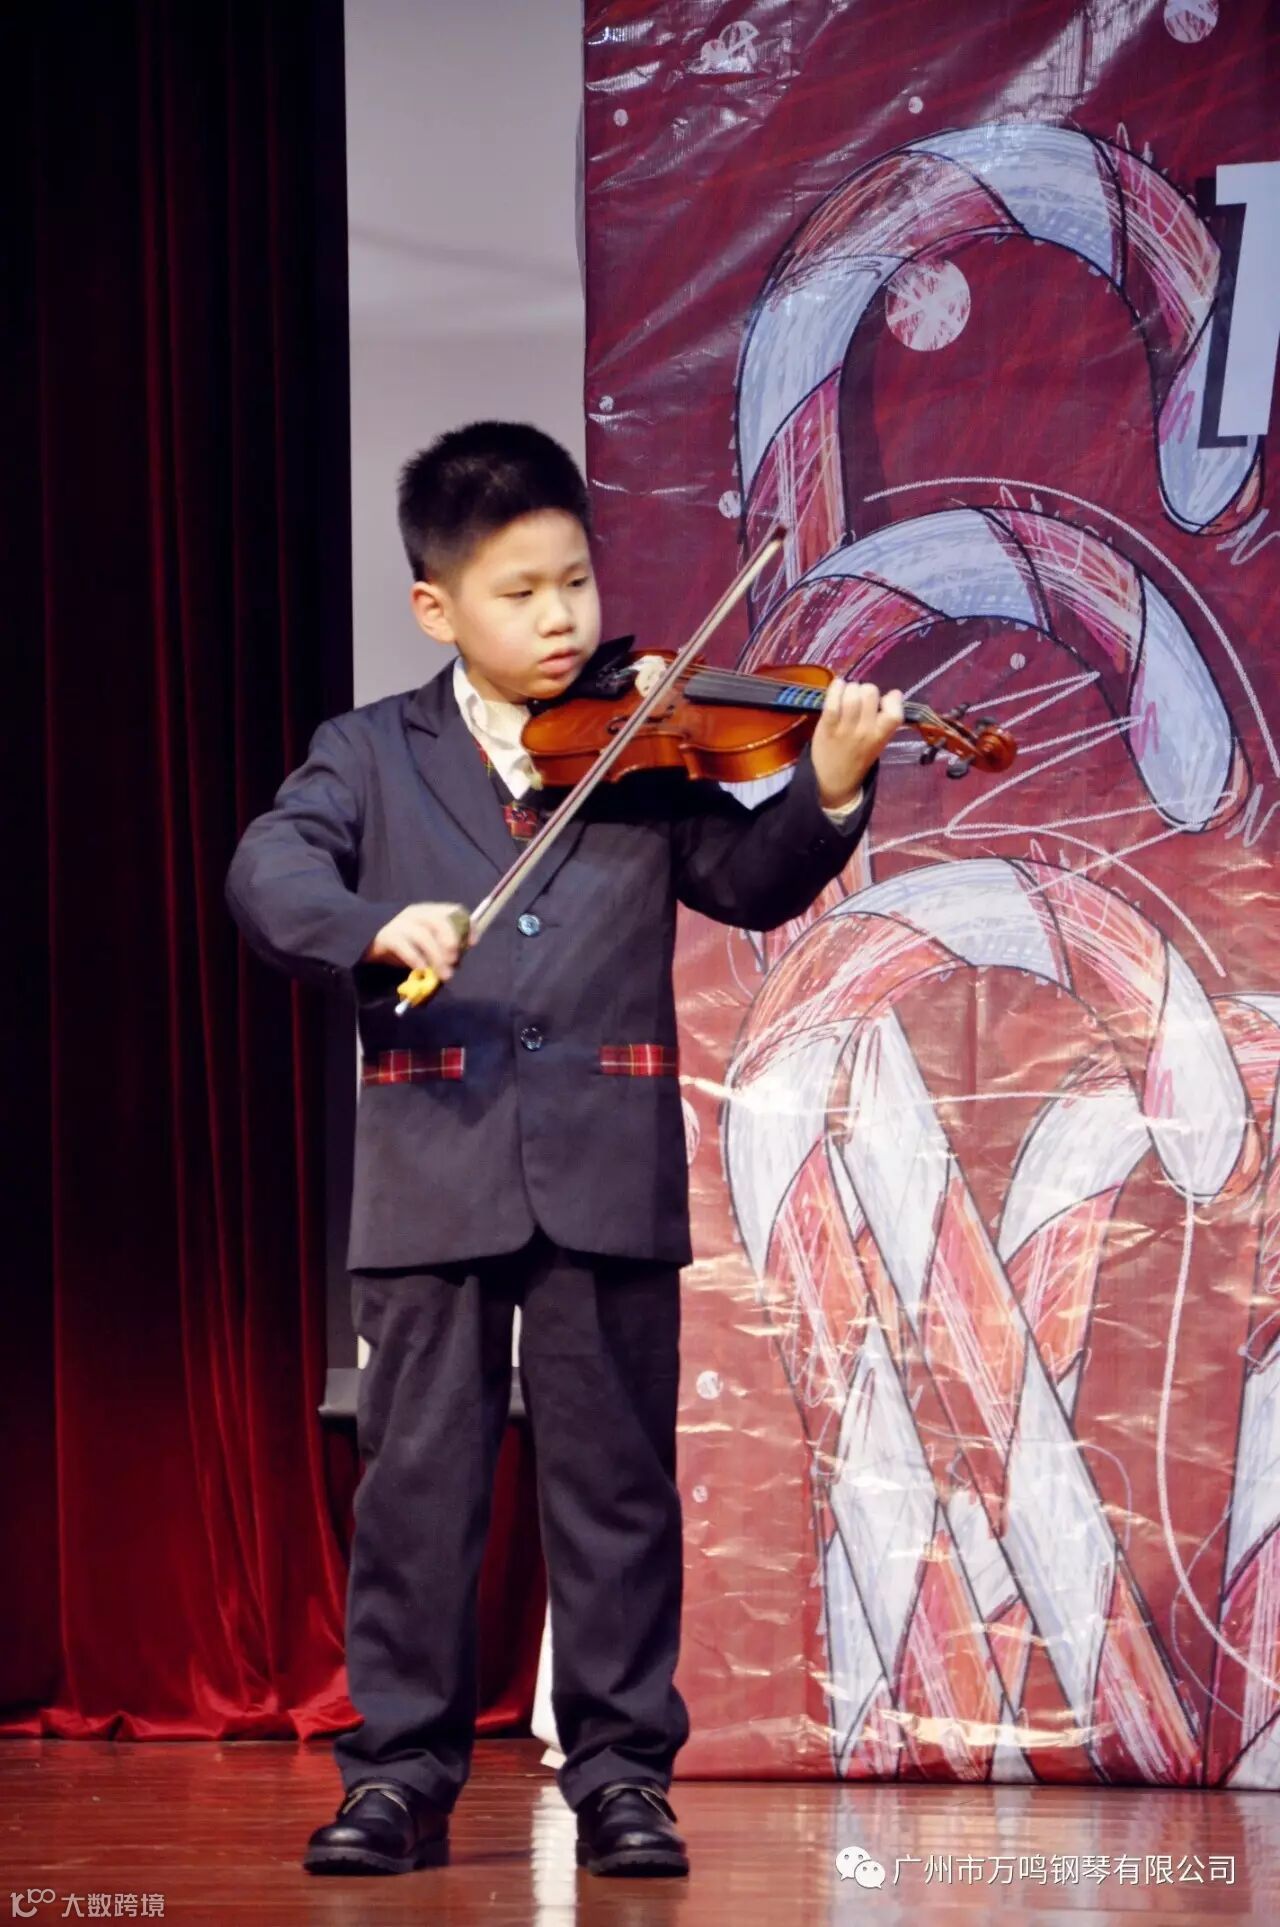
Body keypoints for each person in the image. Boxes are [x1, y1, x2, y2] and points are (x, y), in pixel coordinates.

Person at [225, 420, 902, 1880]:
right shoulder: (367, 752)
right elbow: (268, 873)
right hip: (433, 1167)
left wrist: (829, 789)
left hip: (605, 1162)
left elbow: (747, 878)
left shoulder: (642, 749)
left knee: (615, 1490)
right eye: (521, 592)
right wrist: (374, 927)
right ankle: (397, 1778)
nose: (562, 619)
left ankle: (620, 1777)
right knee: (417, 1489)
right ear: (437, 608)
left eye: (577, 584)